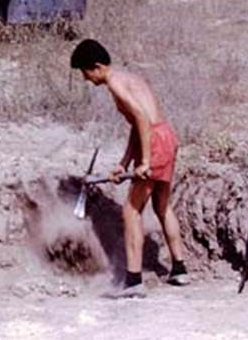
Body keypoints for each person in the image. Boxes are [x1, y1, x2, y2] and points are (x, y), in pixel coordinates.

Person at [70, 38, 190, 297]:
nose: (86, 79)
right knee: (162, 205)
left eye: (85, 72)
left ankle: (133, 281)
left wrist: (145, 161)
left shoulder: (114, 83)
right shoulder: (130, 78)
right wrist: (123, 163)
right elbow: (140, 125)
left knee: (131, 211)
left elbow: (142, 120)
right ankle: (179, 269)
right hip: (167, 136)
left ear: (97, 66)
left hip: (155, 141)